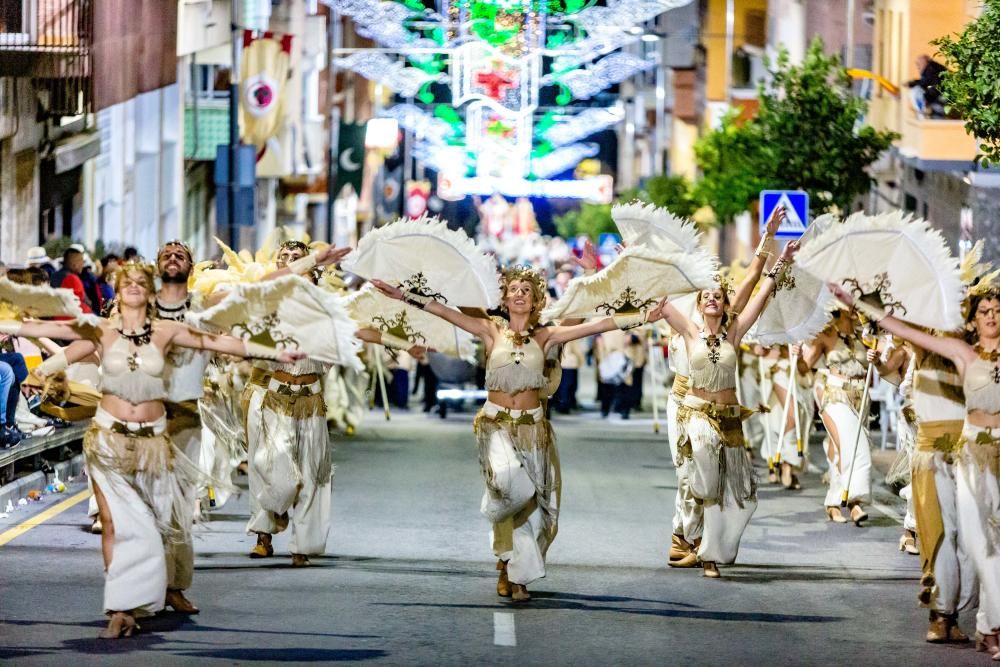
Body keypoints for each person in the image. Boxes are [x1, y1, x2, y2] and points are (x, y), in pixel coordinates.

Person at [4, 261, 304, 639]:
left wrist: (276, 352)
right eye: (125, 282)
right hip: (108, 440)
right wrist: (13, 330)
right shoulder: (100, 328)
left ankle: (145, 597)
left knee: (150, 526)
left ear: (150, 291)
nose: (132, 287)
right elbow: (41, 328)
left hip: (152, 442)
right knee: (115, 524)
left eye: (139, 282)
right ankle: (120, 608)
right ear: (116, 289)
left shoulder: (167, 330)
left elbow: (216, 341)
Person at [372, 266, 670, 601]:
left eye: (525, 290)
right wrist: (403, 296)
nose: (518, 294)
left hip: (533, 428)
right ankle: (505, 546)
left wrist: (645, 316)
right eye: (513, 289)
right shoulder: (489, 331)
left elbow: (598, 325)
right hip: (495, 425)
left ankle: (513, 572)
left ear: (535, 301)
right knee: (507, 483)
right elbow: (443, 310)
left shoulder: (546, 336)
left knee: (533, 505)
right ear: (504, 297)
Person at [658, 239, 800, 578]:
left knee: (740, 495)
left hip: (731, 420)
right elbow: (660, 302)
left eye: (717, 295)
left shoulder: (733, 333)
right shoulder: (689, 331)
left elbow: (760, 291)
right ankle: (697, 548)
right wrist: (634, 264)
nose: (711, 298)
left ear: (724, 304)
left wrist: (780, 261)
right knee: (706, 480)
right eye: (705, 295)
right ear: (698, 302)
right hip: (696, 413)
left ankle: (711, 552)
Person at [857, 298, 981, 646]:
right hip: (931, 454)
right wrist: (870, 306)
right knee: (941, 535)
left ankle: (958, 613)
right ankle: (942, 615)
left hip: (973, 453)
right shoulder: (924, 347)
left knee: (971, 541)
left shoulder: (978, 353)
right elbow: (897, 337)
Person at [243, 240, 354, 566]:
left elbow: (345, 342)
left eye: (298, 258)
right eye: (285, 259)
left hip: (310, 400)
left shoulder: (327, 308)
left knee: (310, 472)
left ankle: (301, 545)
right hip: (269, 394)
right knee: (272, 471)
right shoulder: (268, 303)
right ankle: (266, 528)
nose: (292, 262)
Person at [798, 308, 875, 525]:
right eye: (850, 304)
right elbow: (805, 367)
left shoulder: (867, 335)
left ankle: (833, 501)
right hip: (836, 396)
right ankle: (855, 502)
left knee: (845, 450)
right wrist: (797, 355)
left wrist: (876, 355)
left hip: (861, 398)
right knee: (856, 448)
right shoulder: (825, 335)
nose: (855, 308)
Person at [49, 247, 94, 314]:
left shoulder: (53, 276)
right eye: (80, 260)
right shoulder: (72, 279)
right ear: (73, 263)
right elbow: (86, 303)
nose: (82, 264)